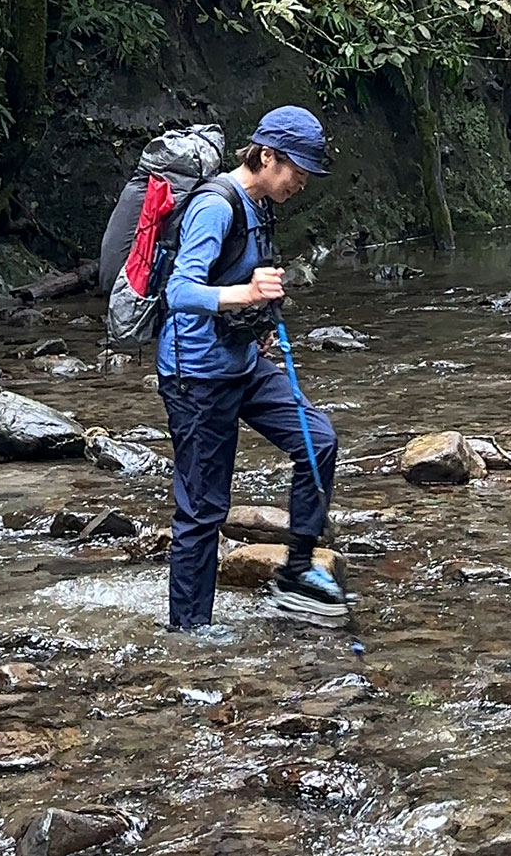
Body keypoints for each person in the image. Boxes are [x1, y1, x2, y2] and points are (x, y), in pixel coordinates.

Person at [157, 103, 346, 631]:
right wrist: (246, 293)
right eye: (298, 172)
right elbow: (180, 291)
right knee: (204, 511)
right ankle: (189, 634)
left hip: (241, 363)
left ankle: (301, 571)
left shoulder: (260, 205)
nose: (302, 183)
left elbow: (242, 284)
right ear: (266, 157)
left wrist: (257, 323)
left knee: (318, 441)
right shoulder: (215, 206)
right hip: (195, 375)